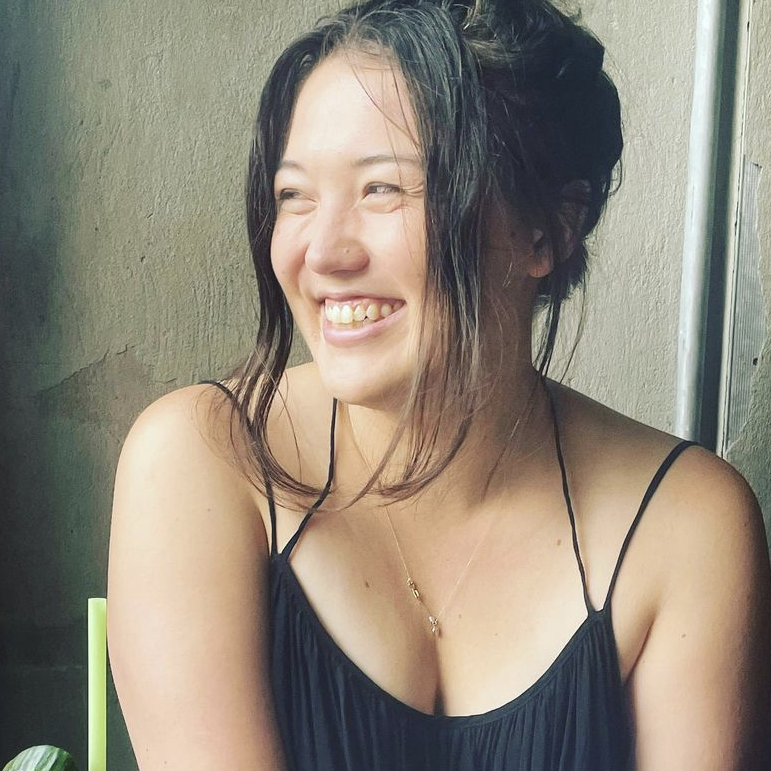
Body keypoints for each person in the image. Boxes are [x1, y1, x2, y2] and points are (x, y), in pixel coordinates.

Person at [106, 0, 771, 769]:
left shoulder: (684, 525)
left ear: (546, 229)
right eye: (294, 195)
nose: (322, 252)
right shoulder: (202, 463)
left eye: (382, 188)